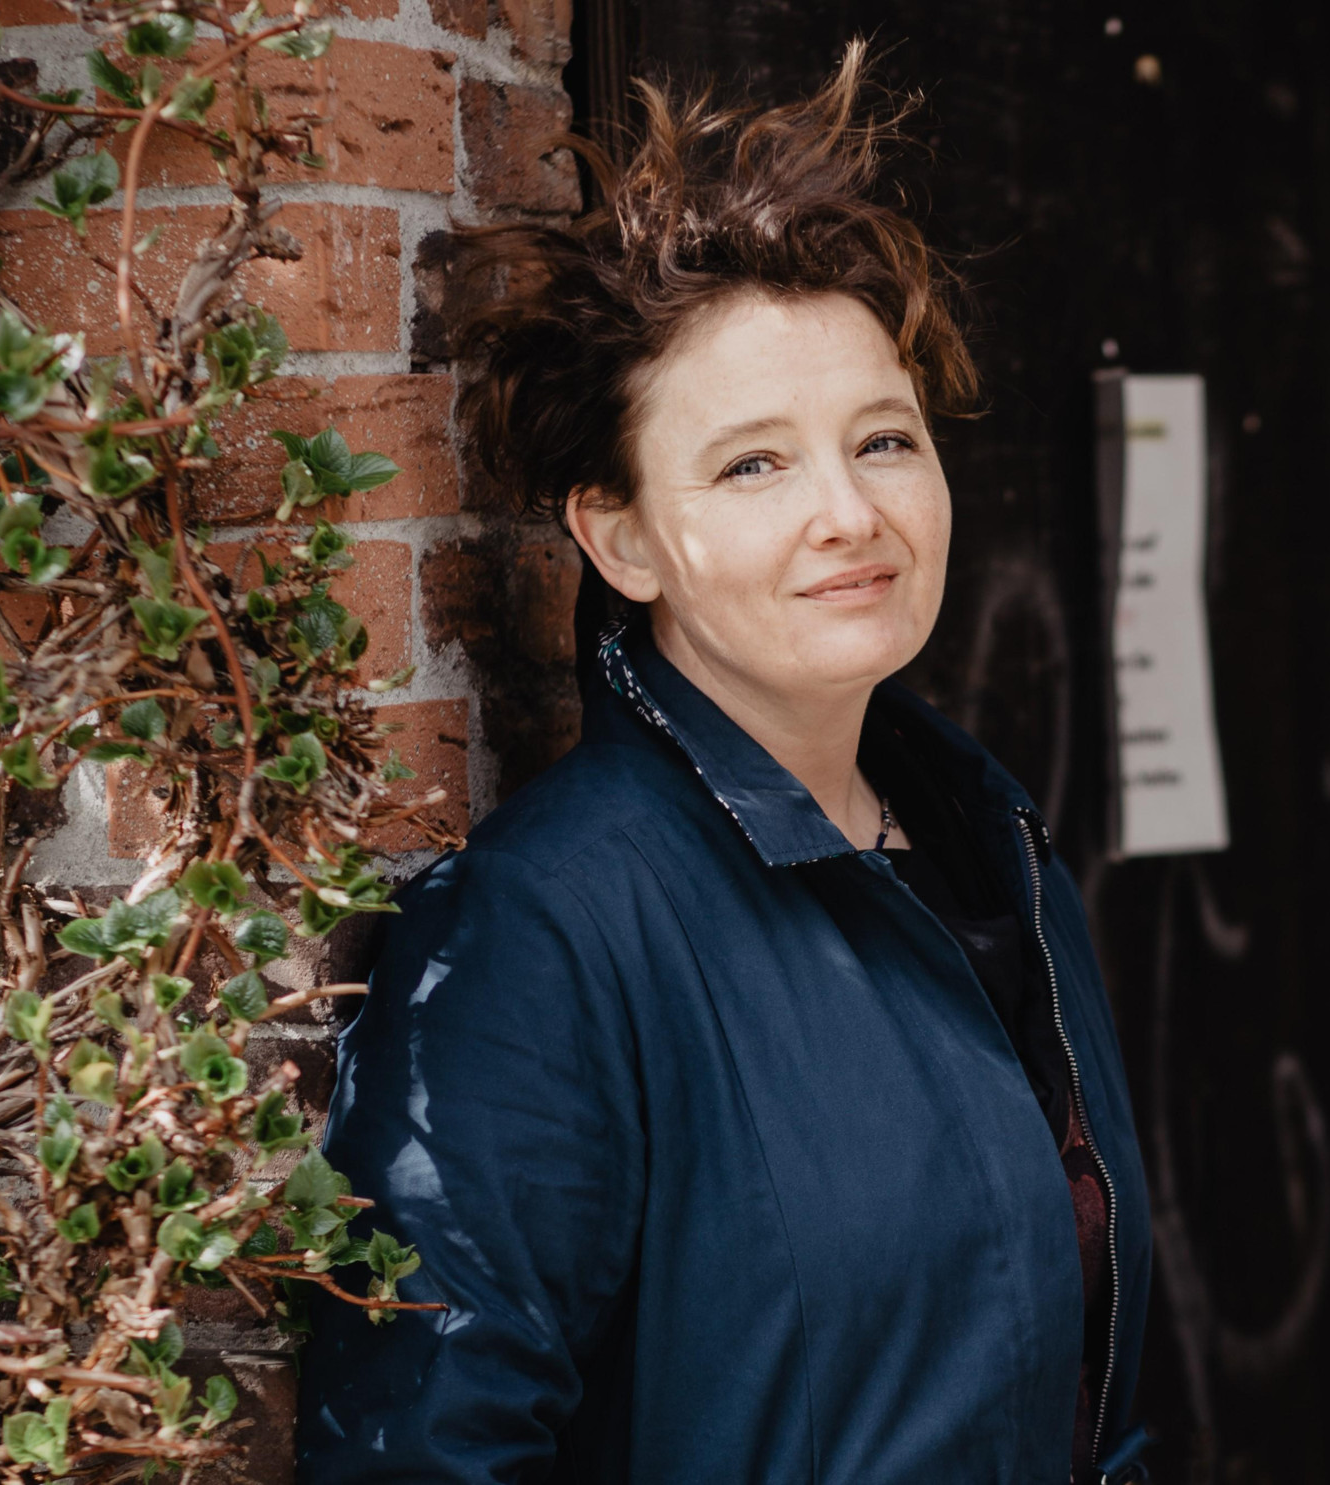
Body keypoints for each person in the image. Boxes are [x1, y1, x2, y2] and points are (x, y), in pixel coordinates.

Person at [293, 42, 1152, 1485]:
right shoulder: (548, 925)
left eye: (884, 440)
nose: (848, 511)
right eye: (754, 464)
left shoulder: (989, 851)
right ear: (620, 535)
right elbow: (420, 1458)